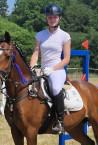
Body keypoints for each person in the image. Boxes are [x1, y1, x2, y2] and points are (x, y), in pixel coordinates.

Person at [30, 3, 71, 134]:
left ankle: (59, 122)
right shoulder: (40, 35)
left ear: (59, 18)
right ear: (46, 18)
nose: (52, 19)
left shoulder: (65, 36)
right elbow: (36, 53)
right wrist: (31, 67)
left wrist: (53, 69)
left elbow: (66, 58)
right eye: (50, 17)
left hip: (57, 70)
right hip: (42, 69)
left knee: (55, 89)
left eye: (55, 17)